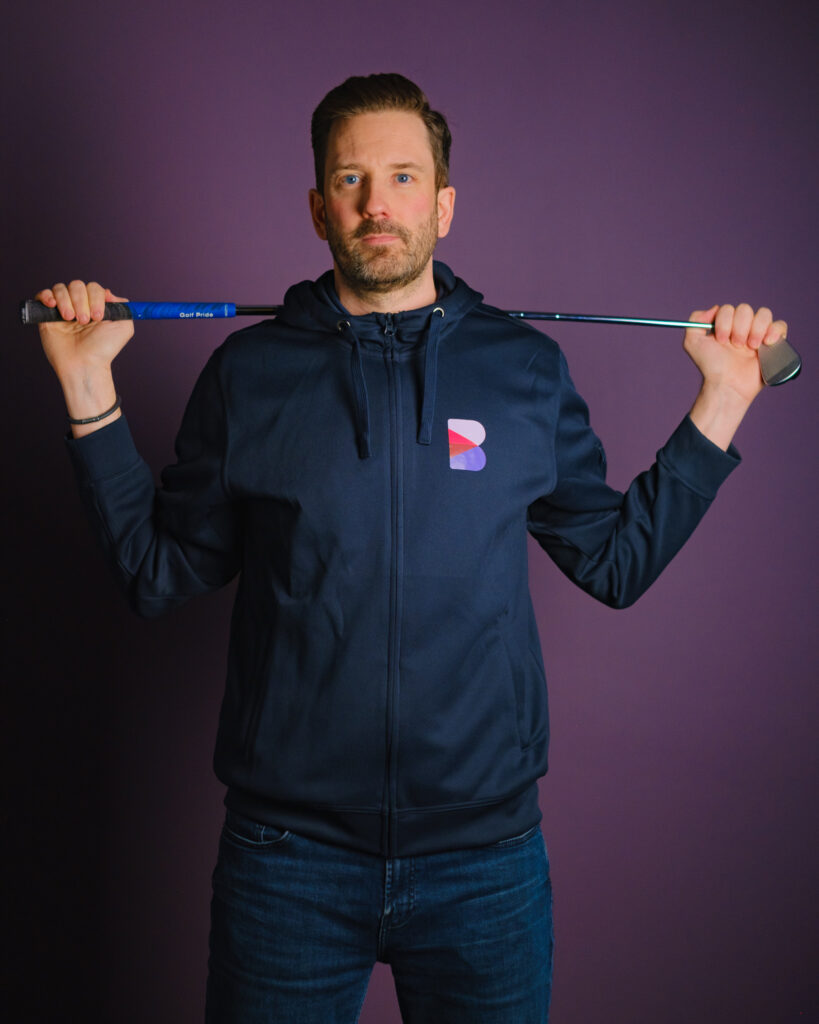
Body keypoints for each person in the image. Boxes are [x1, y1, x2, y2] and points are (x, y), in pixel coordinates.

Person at [35, 73, 787, 1023]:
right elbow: (155, 574)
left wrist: (722, 400)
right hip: (288, 864)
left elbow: (615, 563)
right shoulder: (247, 376)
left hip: (485, 866)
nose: (376, 204)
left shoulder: (523, 369)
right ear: (319, 208)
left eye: (401, 177)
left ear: (443, 204)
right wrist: (88, 391)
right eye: (350, 180)